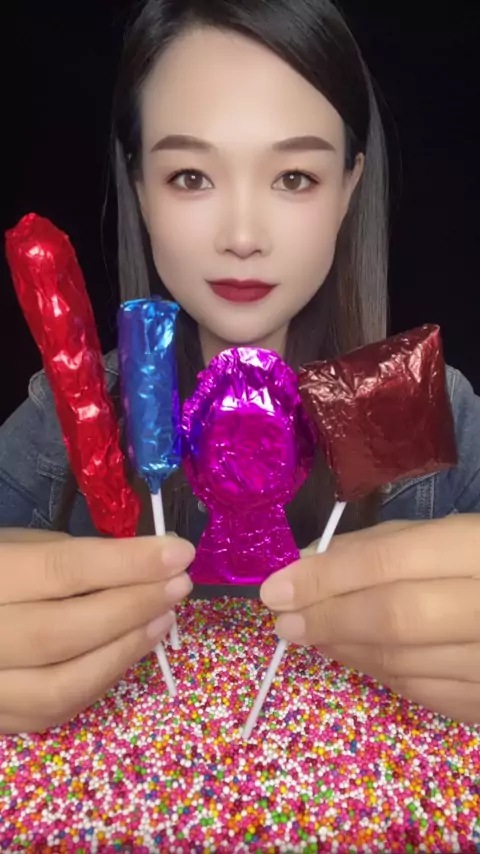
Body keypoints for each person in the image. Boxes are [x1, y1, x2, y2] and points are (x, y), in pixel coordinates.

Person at [1, 0, 479, 736]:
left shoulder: (443, 413)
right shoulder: (53, 429)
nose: (244, 236)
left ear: (350, 187)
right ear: (139, 187)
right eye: (191, 176)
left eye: (295, 177)